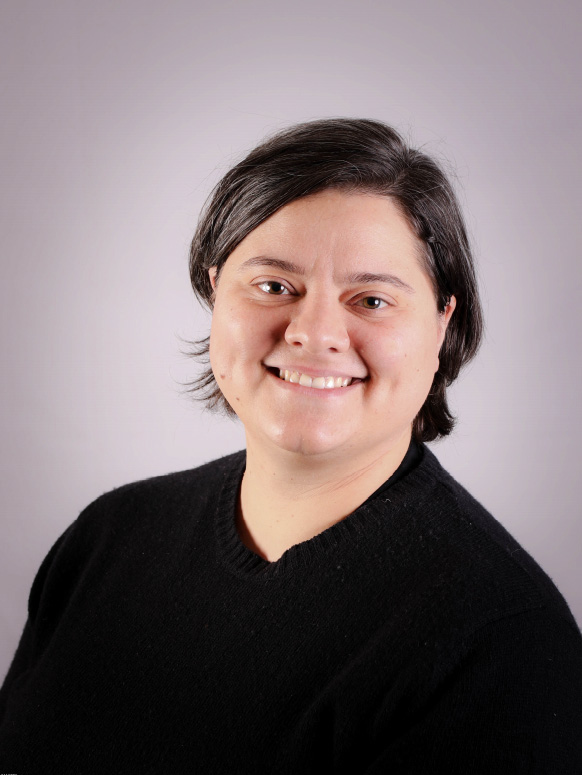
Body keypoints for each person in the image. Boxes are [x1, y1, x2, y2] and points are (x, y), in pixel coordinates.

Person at [1, 118, 581, 773]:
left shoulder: (502, 643)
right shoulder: (108, 538)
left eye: (370, 299)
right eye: (274, 286)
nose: (315, 332)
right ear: (216, 289)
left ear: (442, 322)